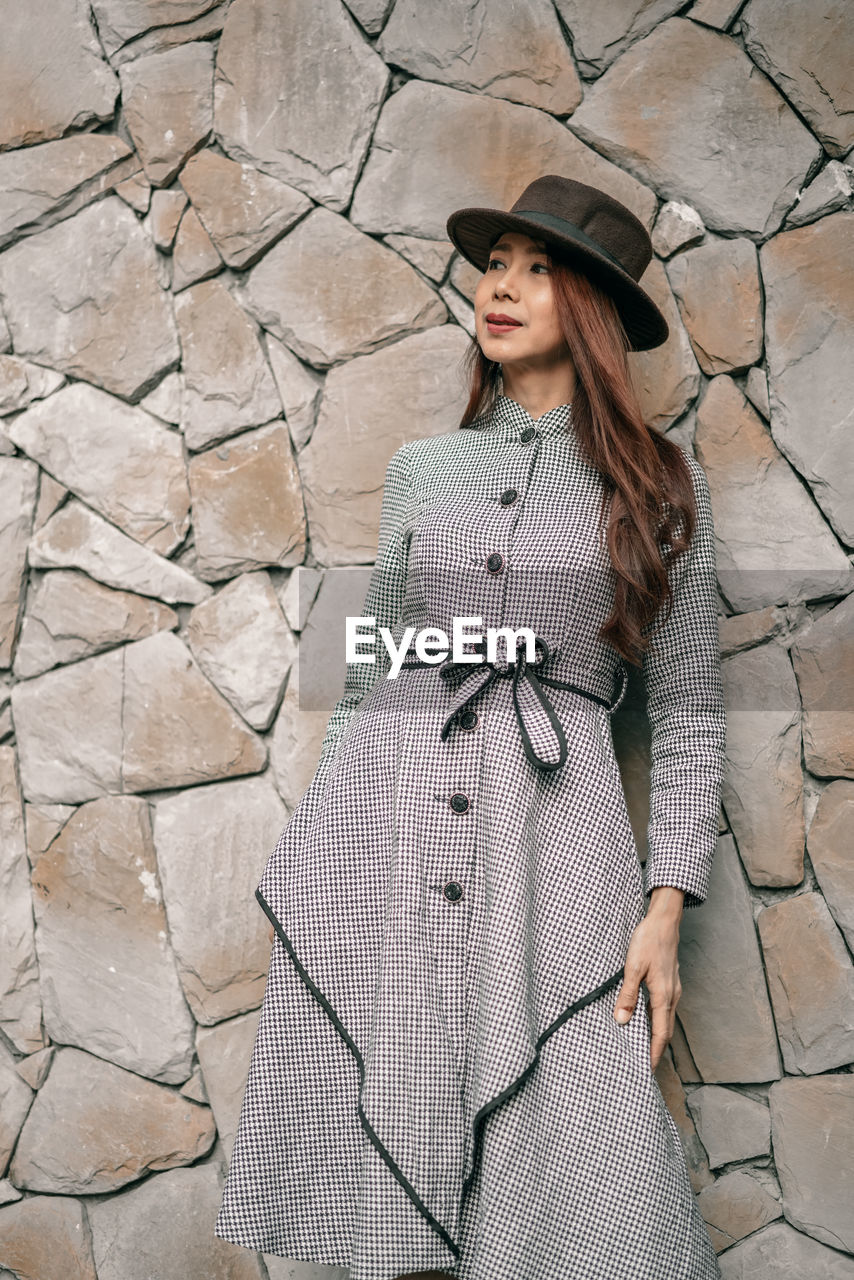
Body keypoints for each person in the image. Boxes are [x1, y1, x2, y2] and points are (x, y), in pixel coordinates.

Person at [216, 175, 727, 1280]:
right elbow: (376, 672)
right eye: (495, 263)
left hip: (558, 858)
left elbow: (685, 718)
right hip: (397, 827)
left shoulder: (652, 492)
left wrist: (663, 909)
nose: (500, 287)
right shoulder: (423, 473)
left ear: (585, 307)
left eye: (535, 269)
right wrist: (325, 849)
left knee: (594, 1158)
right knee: (406, 1120)